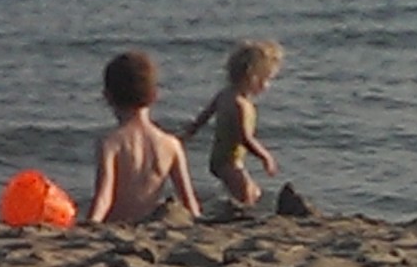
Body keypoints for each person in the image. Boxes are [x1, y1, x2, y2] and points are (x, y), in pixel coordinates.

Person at [86, 51, 202, 223]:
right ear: (154, 95)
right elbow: (188, 199)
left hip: (117, 224)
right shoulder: (171, 144)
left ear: (108, 97)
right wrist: (198, 221)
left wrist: (92, 223)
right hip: (147, 225)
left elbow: (104, 196)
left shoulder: (111, 143)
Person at [180, 40, 284, 205]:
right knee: (247, 196)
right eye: (267, 80)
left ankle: (226, 205)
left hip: (221, 159)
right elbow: (245, 138)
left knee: (253, 192)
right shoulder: (240, 105)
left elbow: (205, 115)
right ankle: (233, 213)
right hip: (229, 161)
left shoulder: (225, 94)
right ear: (253, 77)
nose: (268, 86)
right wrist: (265, 156)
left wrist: (189, 132)